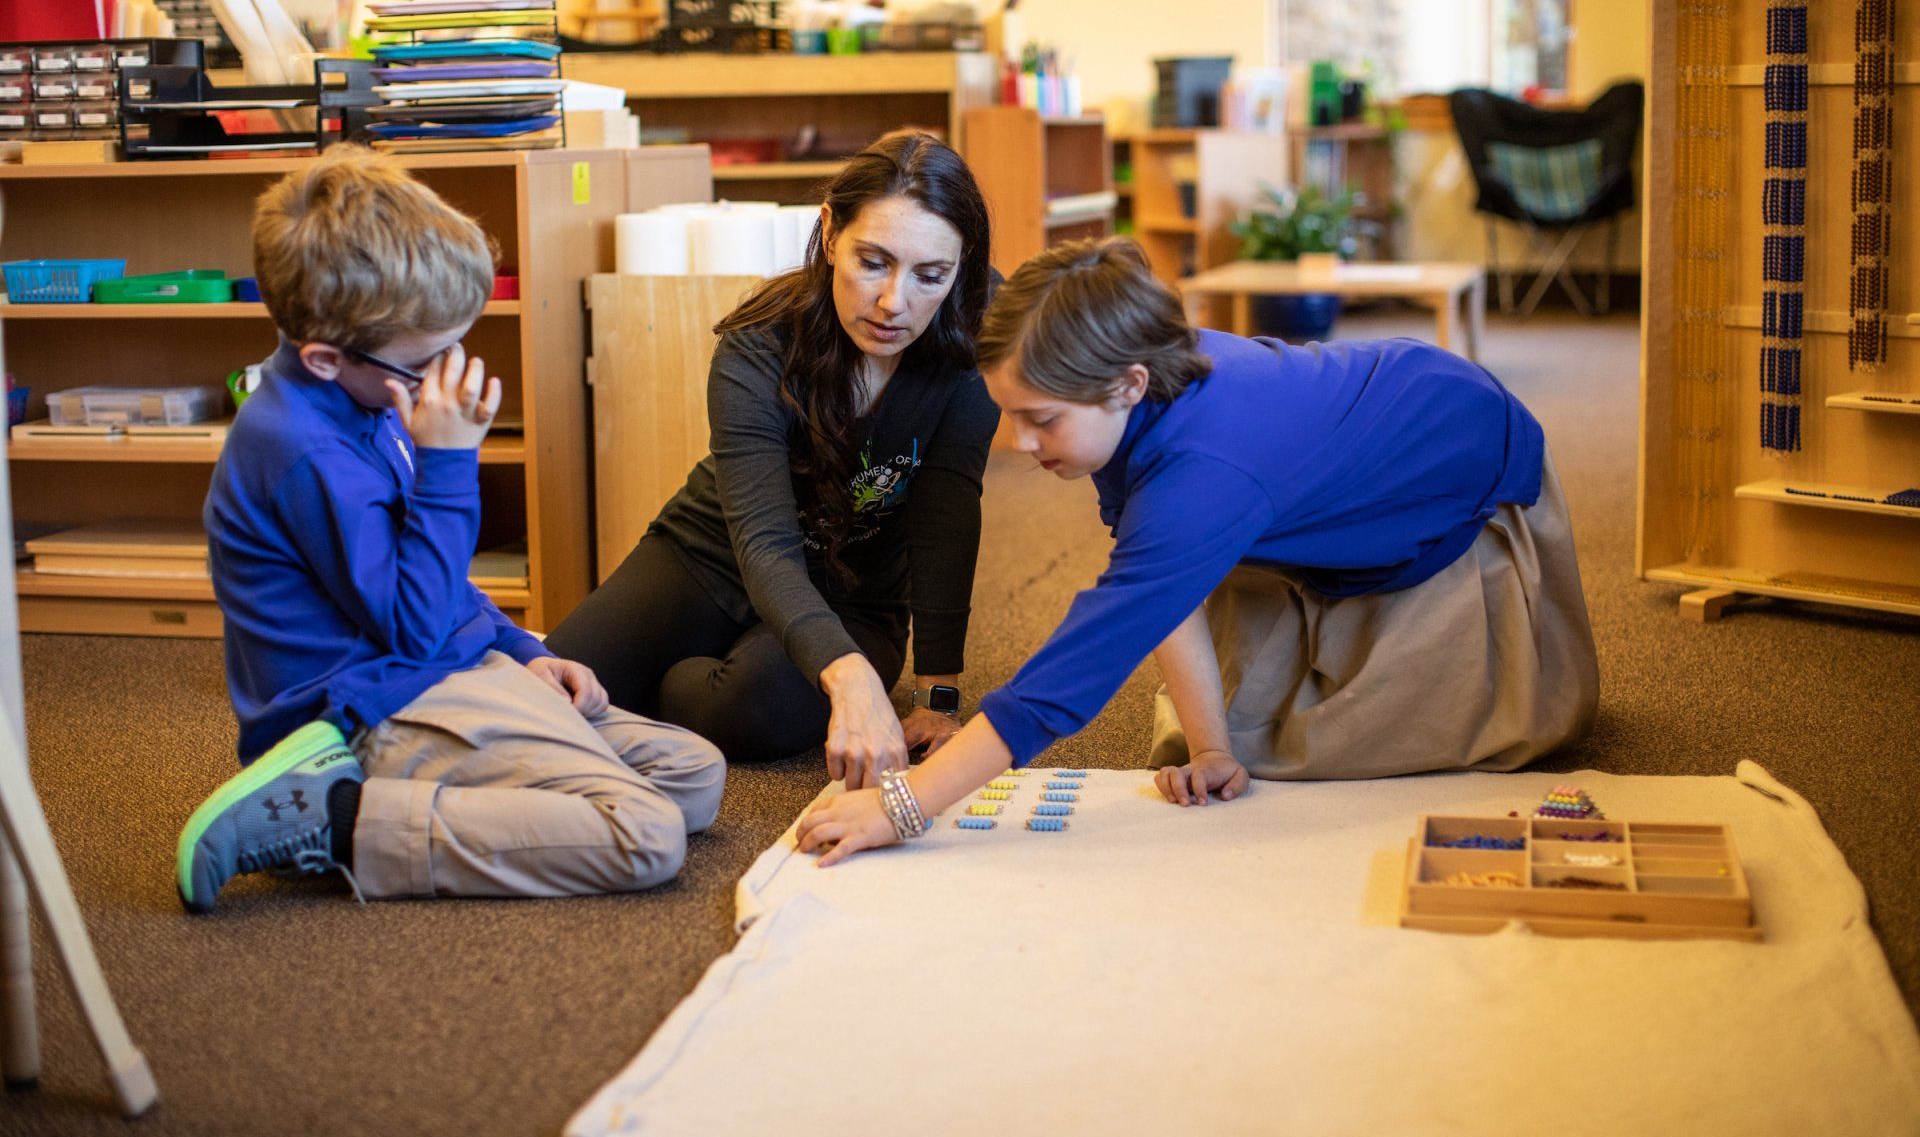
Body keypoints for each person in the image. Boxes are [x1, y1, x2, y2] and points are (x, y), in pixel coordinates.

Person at [796, 236, 1598, 864]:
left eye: (1042, 418)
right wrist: (1213, 747)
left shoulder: (1203, 471)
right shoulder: (1134, 390)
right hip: (1349, 450)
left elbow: (1079, 666)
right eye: (1013, 414)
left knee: (1312, 749)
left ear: (1129, 385)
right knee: (1229, 732)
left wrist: (906, 808)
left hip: (1464, 473)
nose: (1021, 442)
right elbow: (1156, 590)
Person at [177, 146, 725, 910]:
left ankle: (423, 803)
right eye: (424, 363)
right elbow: (413, 626)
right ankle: (335, 820)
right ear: (327, 359)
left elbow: (432, 583)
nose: (445, 378)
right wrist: (447, 464)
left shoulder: (366, 401)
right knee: (649, 833)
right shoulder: (302, 450)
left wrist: (521, 648)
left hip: (444, 667)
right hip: (371, 707)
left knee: (693, 775)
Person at [543, 130, 1000, 792]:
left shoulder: (976, 337)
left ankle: (667, 685)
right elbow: (763, 543)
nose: (894, 302)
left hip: (856, 594)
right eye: (873, 262)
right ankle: (677, 671)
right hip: (713, 551)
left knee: (752, 708)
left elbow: (946, 515)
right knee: (552, 685)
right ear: (831, 231)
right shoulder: (758, 344)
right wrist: (848, 680)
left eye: (931, 275)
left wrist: (937, 694)